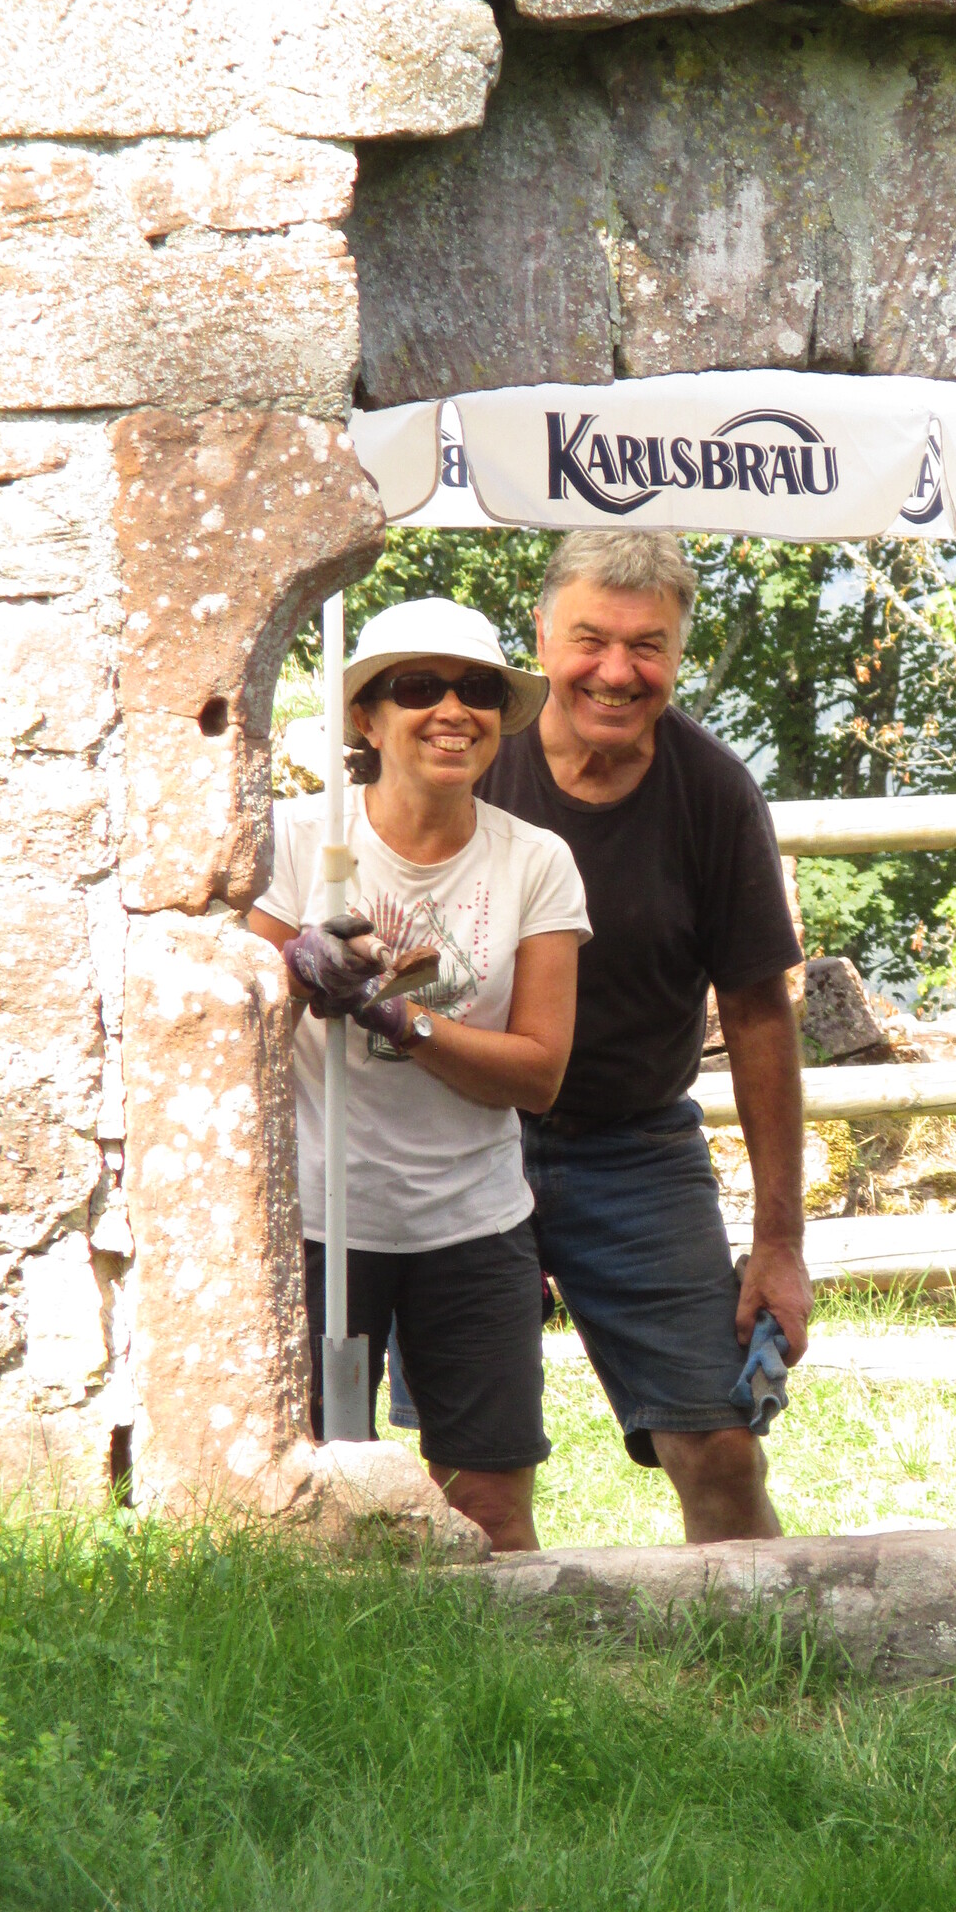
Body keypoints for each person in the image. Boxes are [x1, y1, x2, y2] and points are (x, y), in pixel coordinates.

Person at [477, 530, 811, 1543]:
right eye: (591, 640)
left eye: (647, 647)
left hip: (634, 1147)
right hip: (468, 1140)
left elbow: (758, 1015)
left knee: (720, 1447)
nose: (616, 673)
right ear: (542, 635)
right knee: (478, 1473)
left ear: (678, 655)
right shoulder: (474, 760)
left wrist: (779, 1245)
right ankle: (499, 1652)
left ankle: (757, 1638)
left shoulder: (711, 791)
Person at [249, 599, 590, 1553]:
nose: (452, 710)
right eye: (417, 687)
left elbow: (538, 1074)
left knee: (492, 1508)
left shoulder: (536, 862)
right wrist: (296, 970)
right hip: (320, 1219)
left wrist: (397, 1014)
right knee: (305, 1511)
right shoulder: (294, 840)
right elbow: (237, 1025)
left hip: (472, 1224)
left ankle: (499, 1657)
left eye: (477, 689)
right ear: (365, 717)